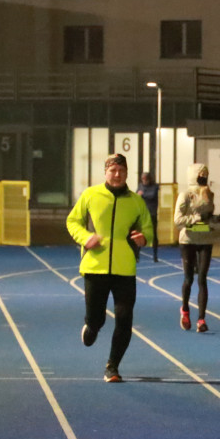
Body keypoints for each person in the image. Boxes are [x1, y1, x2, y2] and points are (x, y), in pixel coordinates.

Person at [66, 153, 154, 383]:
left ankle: (112, 367)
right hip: (95, 266)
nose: (117, 175)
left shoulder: (136, 201)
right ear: (105, 172)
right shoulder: (91, 195)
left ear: (127, 173)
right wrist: (85, 238)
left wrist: (144, 238)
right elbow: (72, 221)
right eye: (113, 170)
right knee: (97, 318)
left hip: (125, 269)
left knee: (124, 318)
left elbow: (149, 229)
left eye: (121, 171)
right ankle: (92, 327)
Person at [173, 163, 220, 332]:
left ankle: (201, 319)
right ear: (194, 176)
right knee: (189, 278)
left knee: (202, 278)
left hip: (205, 238)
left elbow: (208, 217)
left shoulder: (209, 194)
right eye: (201, 174)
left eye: (206, 174)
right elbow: (177, 220)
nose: (204, 177)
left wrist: (216, 219)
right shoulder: (185, 195)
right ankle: (185, 310)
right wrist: (195, 218)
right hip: (188, 240)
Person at [136, 171, 160, 262]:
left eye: (145, 179)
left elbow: (152, 195)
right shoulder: (140, 186)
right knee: (138, 234)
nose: (144, 181)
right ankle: (137, 255)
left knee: (154, 235)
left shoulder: (155, 186)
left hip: (152, 213)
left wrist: (142, 194)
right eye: (143, 179)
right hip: (142, 214)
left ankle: (155, 255)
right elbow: (136, 195)